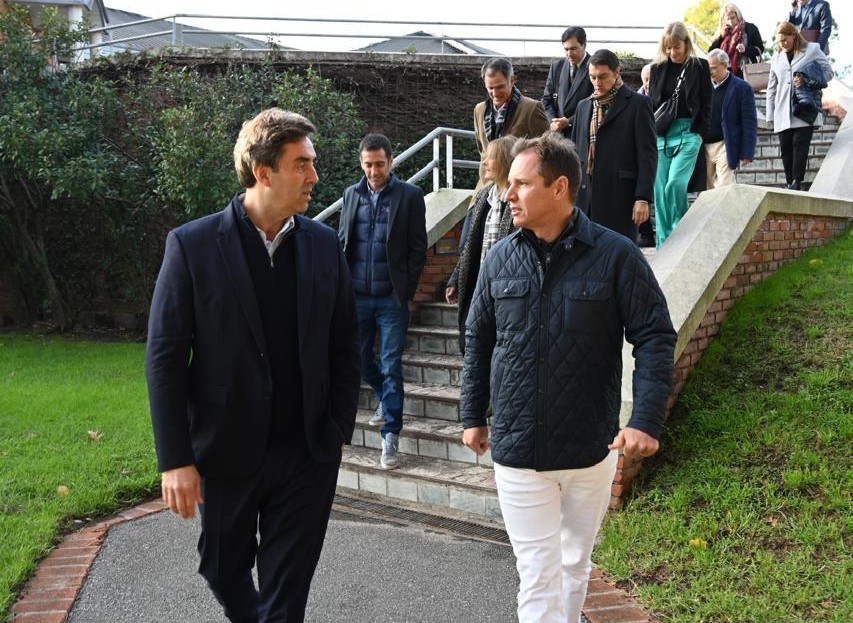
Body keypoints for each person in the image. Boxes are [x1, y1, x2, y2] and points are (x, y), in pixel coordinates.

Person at [146, 108, 361, 623]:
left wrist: (337, 427)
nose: (314, 176)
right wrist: (175, 459)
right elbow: (165, 356)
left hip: (306, 453)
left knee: (287, 595)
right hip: (225, 452)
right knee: (222, 568)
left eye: (312, 163)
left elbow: (345, 342)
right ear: (263, 171)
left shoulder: (324, 244)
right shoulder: (192, 246)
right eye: (301, 164)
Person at [460, 133, 676, 623]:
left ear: (559, 188)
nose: (507, 195)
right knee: (538, 573)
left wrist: (644, 419)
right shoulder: (499, 259)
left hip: (589, 449)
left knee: (575, 565)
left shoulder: (617, 256)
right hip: (518, 448)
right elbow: (478, 338)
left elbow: (655, 336)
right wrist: (472, 413)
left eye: (520, 184)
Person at [338, 133, 427, 469]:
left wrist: (405, 291)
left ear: (391, 161)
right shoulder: (351, 195)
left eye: (379, 164)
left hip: (391, 300)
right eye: (368, 165)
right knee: (360, 360)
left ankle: (390, 434)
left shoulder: (410, 196)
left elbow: (418, 249)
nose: (374, 171)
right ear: (361, 163)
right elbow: (344, 242)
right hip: (357, 298)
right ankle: (382, 397)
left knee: (391, 365)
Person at [571, 49, 656, 242]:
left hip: (621, 198)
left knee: (620, 255)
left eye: (603, 76)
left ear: (617, 72)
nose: (597, 83)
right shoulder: (583, 106)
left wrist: (642, 198)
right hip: (585, 199)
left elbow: (648, 155)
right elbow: (575, 154)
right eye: (592, 77)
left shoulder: (638, 104)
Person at [445, 135, 516, 352]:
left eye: (490, 157)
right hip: (479, 283)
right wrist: (455, 279)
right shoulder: (485, 195)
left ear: (504, 160)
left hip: (505, 288)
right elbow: (470, 244)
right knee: (470, 343)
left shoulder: (518, 200)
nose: (484, 162)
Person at [649, 21, 711, 248]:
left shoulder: (700, 66)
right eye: (668, 47)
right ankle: (664, 244)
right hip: (662, 135)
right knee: (660, 192)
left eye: (676, 47)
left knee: (674, 184)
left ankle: (681, 236)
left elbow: (707, 102)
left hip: (689, 133)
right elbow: (652, 104)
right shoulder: (657, 69)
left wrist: (700, 133)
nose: (672, 52)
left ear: (686, 44)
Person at [767, 21, 833, 190]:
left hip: (804, 108)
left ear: (793, 35)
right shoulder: (776, 58)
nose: (782, 44)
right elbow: (771, 88)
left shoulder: (812, 49)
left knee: (800, 145)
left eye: (785, 40)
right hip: (782, 110)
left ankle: (796, 182)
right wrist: (770, 115)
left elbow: (828, 73)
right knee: (786, 150)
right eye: (779, 41)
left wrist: (806, 80)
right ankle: (790, 183)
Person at [474, 57, 549, 184]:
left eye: (500, 87)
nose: (495, 93)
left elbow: (546, 150)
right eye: (490, 88)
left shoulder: (531, 108)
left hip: (518, 184)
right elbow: (482, 149)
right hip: (486, 185)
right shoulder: (479, 110)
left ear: (512, 80)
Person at [704, 49, 758, 188]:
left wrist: (747, 151)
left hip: (726, 144)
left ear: (725, 65)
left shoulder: (742, 88)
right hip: (704, 146)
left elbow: (749, 122)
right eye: (708, 68)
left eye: (713, 68)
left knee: (724, 185)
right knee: (706, 189)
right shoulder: (702, 87)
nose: (710, 72)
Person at [541, 26, 594, 137]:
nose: (569, 53)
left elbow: (595, 103)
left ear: (584, 45)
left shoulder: (594, 67)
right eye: (566, 49)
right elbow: (546, 100)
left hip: (583, 133)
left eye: (574, 48)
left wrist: (570, 121)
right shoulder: (556, 67)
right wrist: (553, 121)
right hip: (558, 135)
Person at [709, 3, 764, 78]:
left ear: (738, 15)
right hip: (725, 74)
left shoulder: (750, 28)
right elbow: (711, 53)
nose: (731, 21)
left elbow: (760, 49)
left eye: (733, 18)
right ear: (723, 20)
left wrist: (745, 50)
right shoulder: (722, 32)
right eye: (728, 19)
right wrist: (721, 36)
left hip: (746, 72)